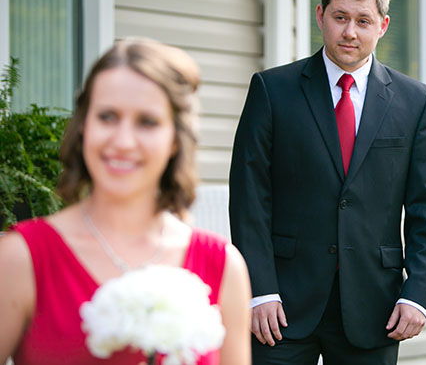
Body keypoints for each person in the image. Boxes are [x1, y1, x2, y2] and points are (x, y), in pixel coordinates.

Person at [229, 0, 426, 365]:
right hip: (280, 307)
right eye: (341, 17)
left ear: (382, 26)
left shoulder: (417, 103)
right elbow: (249, 198)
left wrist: (418, 293)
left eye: (363, 21)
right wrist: (259, 289)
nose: (350, 32)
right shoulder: (272, 90)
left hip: (374, 306)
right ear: (320, 16)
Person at [0, 38, 252, 364]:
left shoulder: (222, 266)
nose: (122, 141)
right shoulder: (22, 258)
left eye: (147, 122)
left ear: (175, 139)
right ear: (83, 126)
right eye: (107, 117)